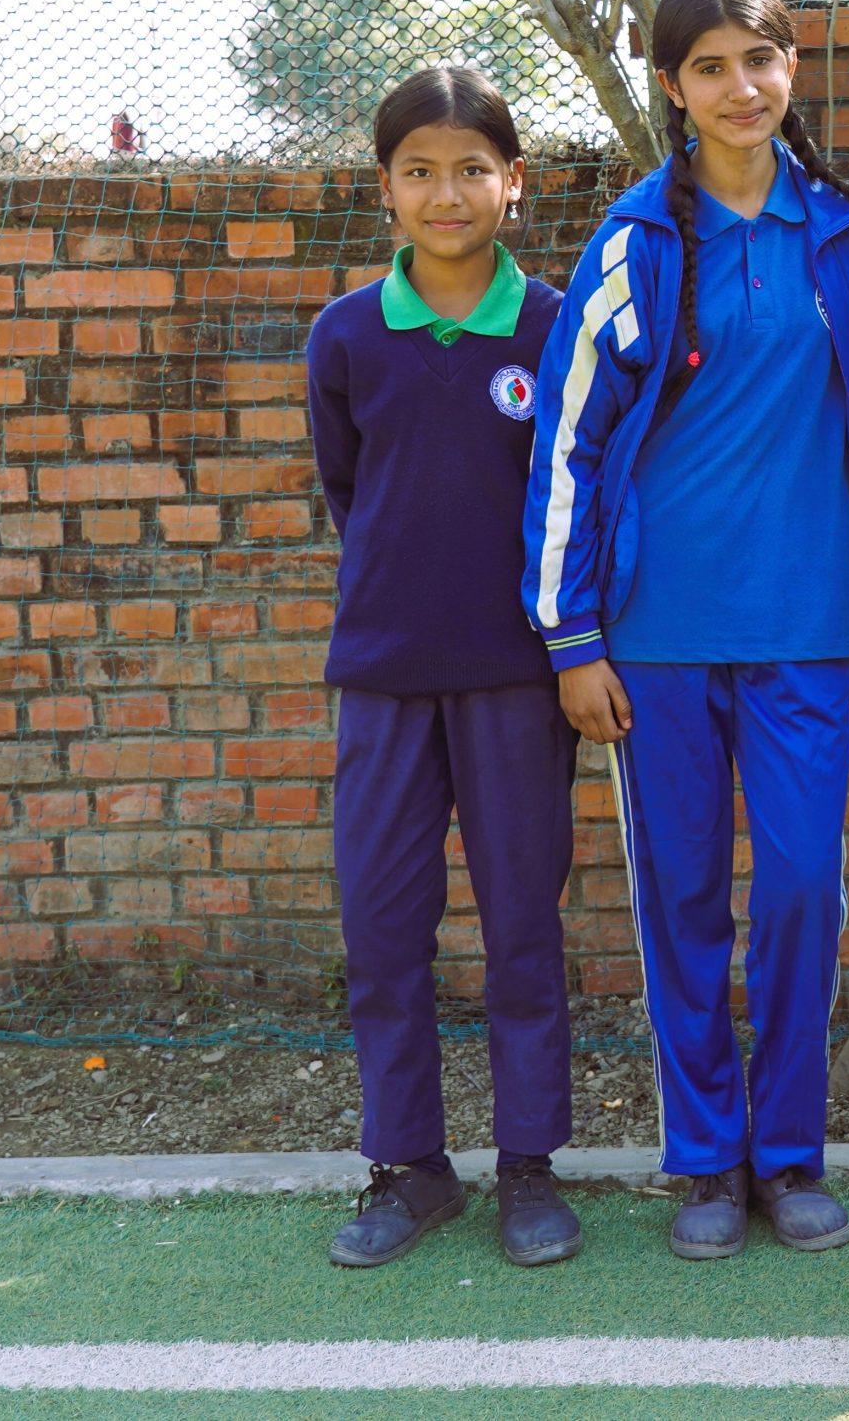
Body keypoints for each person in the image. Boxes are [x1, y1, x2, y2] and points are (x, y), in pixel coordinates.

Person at [521, 0, 849, 1260]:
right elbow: (565, 446)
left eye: (765, 59)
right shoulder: (632, 247)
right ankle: (705, 1160)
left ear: (793, 72)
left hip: (806, 624)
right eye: (714, 66)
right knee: (683, 897)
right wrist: (572, 638)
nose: (745, 87)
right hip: (657, 638)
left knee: (800, 890)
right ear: (674, 89)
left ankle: (790, 1153)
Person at [307, 66, 581, 1269]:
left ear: (513, 184)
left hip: (518, 681)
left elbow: (582, 496)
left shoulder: (554, 328)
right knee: (381, 927)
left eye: (473, 167)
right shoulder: (348, 335)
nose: (448, 191)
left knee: (522, 922)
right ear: (386, 189)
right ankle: (406, 1165)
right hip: (382, 679)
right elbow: (347, 490)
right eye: (420, 169)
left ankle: (530, 1165)